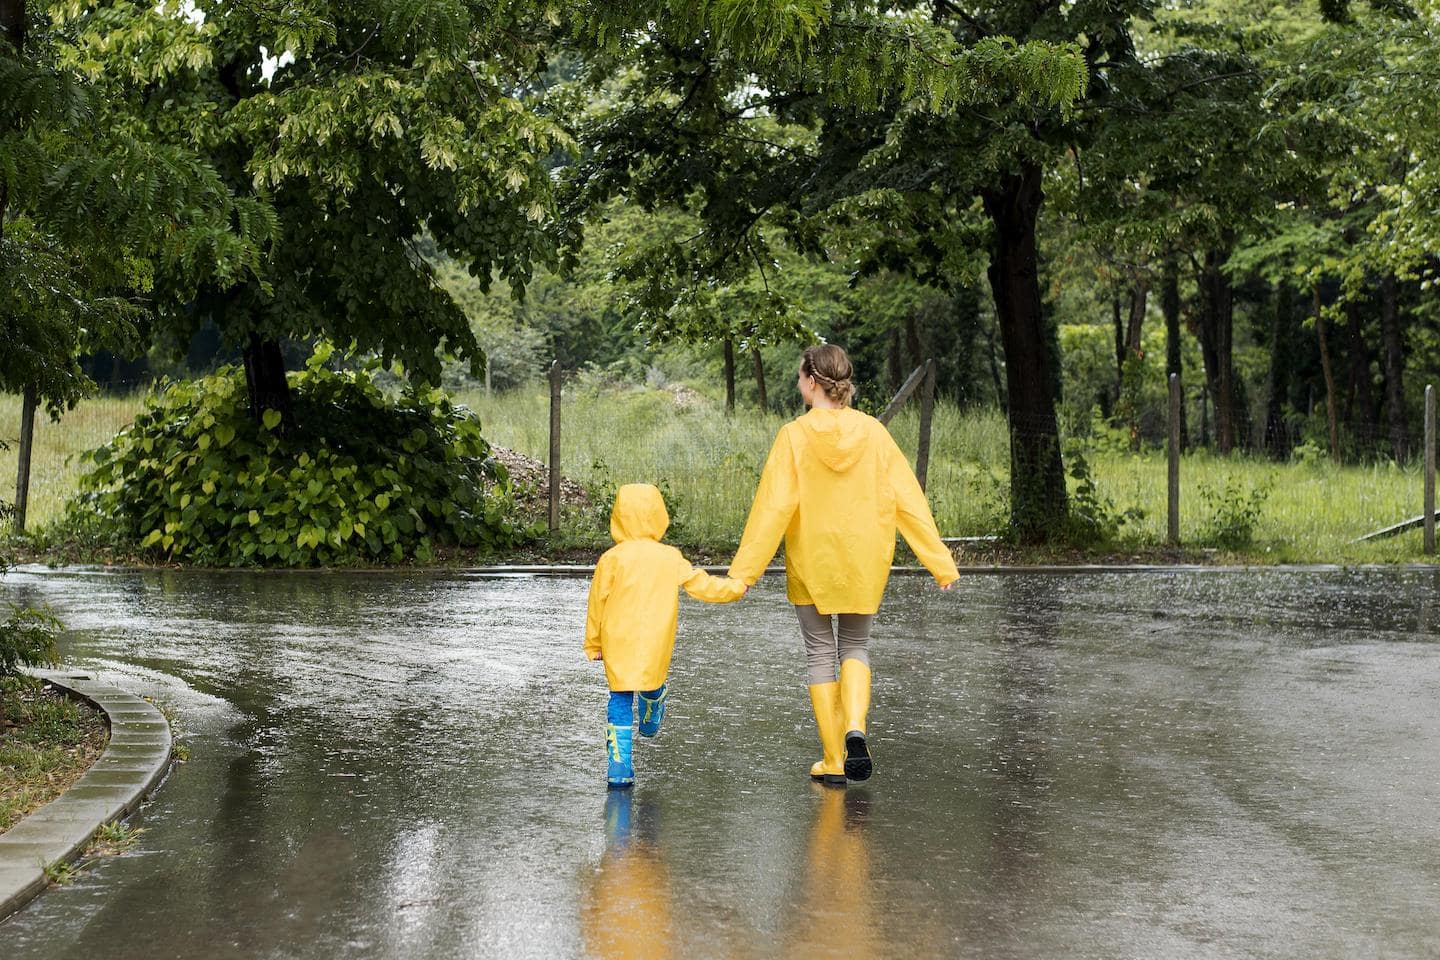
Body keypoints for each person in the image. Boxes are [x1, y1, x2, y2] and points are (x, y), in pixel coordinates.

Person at [728, 344, 958, 785]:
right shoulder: (873, 433)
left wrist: (745, 573)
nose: (798, 384)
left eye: (800, 377)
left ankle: (834, 759)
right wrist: (939, 562)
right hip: (862, 558)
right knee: (855, 646)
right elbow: (908, 500)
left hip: (813, 559)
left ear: (813, 382)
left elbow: (772, 509)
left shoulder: (793, 437)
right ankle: (857, 728)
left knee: (820, 653)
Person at [586, 483, 746, 788]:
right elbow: (701, 584)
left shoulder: (612, 558)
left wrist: (594, 642)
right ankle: (653, 703)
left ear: (618, 516)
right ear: (659, 515)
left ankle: (619, 766)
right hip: (654, 639)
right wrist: (734, 588)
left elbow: (597, 602)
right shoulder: (669, 557)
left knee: (619, 697)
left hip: (617, 639)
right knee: (650, 679)